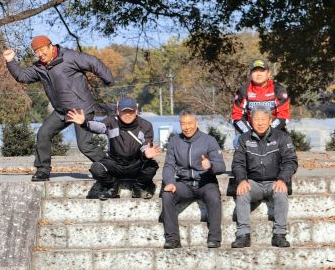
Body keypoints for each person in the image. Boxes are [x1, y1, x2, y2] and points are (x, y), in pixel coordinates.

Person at [3, 35, 114, 182]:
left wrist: (108, 79)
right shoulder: (40, 67)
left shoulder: (69, 57)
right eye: (36, 52)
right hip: (61, 111)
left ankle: (112, 167)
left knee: (84, 145)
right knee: (43, 133)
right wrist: (10, 61)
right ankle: (42, 170)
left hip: (81, 109)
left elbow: (93, 62)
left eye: (42, 50)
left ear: (51, 46)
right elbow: (22, 76)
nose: (40, 54)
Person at [67, 96, 161, 200]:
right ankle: (112, 187)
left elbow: (146, 146)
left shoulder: (146, 125)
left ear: (136, 111)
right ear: (118, 111)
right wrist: (84, 123)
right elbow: (98, 126)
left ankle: (138, 187)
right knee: (96, 168)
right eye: (124, 111)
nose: (128, 114)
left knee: (152, 166)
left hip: (135, 165)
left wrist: (146, 153)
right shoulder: (111, 121)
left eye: (131, 111)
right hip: (115, 164)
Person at [231, 108, 298, 248]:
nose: (260, 123)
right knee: (242, 192)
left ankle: (279, 235)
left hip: (275, 181)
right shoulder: (244, 139)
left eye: (263, 119)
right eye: (256, 120)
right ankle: (243, 235)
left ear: (270, 120)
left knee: (281, 193)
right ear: (251, 121)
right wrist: (242, 180)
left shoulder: (282, 137)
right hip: (253, 182)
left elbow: (290, 161)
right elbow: (238, 163)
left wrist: (282, 179)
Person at [160, 110, 226, 249]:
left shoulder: (209, 140)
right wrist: (170, 182)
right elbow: (169, 166)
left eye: (190, 123)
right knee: (167, 195)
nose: (187, 127)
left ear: (196, 123)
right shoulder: (174, 141)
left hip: (205, 182)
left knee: (214, 196)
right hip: (185, 184)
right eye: (183, 124)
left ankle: (214, 238)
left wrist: (210, 165)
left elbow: (221, 166)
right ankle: (172, 239)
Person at [231, 58, 290, 135]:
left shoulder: (278, 89)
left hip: (275, 132)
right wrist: (250, 133)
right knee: (237, 140)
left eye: (262, 71)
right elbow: (236, 116)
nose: (258, 74)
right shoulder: (243, 90)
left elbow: (283, 116)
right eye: (255, 71)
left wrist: (268, 132)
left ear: (268, 73)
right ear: (251, 74)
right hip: (250, 133)